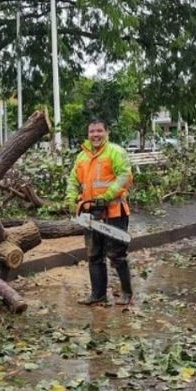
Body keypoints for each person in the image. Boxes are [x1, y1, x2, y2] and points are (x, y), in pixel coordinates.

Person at [66, 119, 134, 306]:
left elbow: (124, 177)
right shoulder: (82, 157)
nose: (95, 135)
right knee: (94, 254)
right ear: (88, 134)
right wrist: (71, 199)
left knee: (116, 254)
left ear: (106, 132)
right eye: (92, 131)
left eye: (99, 131)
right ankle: (98, 294)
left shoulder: (115, 152)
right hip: (90, 212)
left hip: (114, 211)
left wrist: (108, 195)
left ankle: (126, 292)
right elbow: (73, 180)